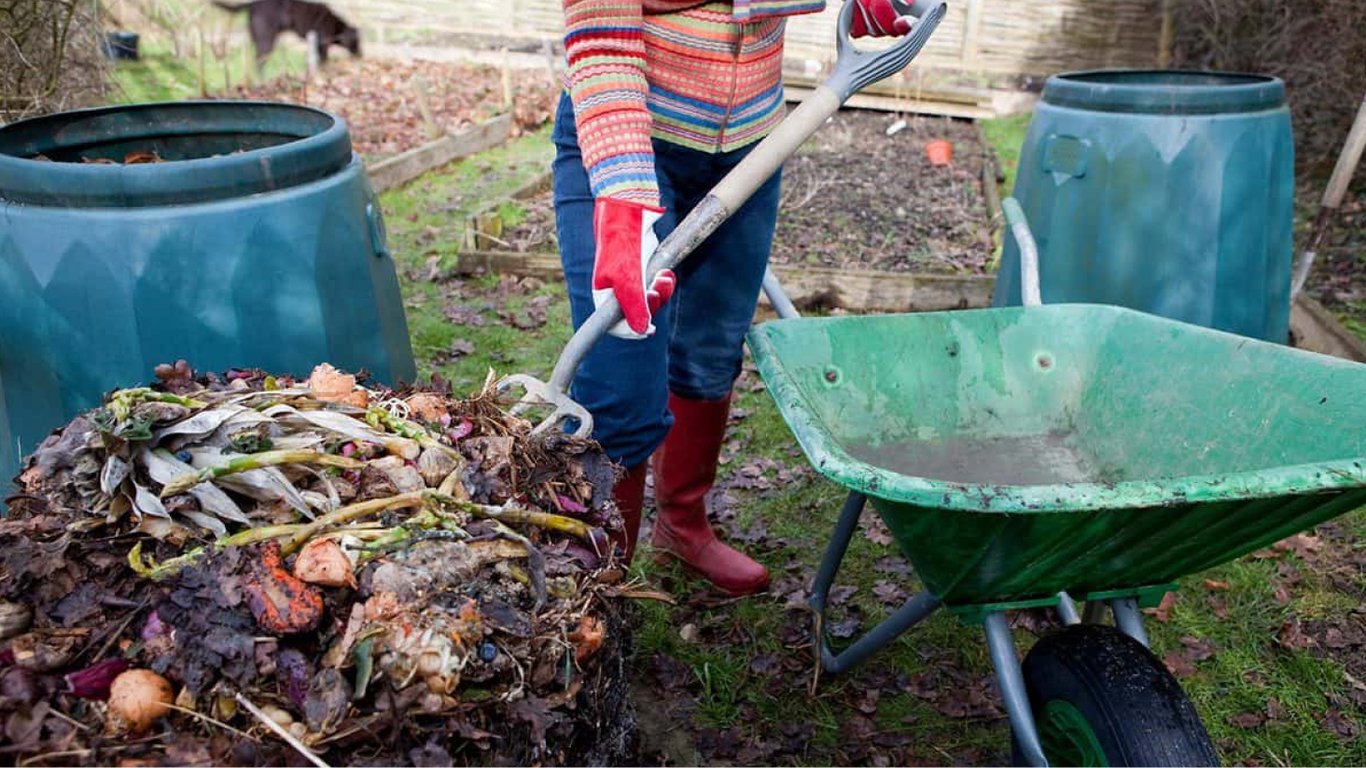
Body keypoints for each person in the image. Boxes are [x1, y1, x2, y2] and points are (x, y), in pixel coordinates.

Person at [553, 0, 915, 595]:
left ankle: (682, 525)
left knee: (710, 352)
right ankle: (600, 591)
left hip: (751, 140)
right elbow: (603, 37)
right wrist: (622, 198)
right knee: (619, 384)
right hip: (627, 132)